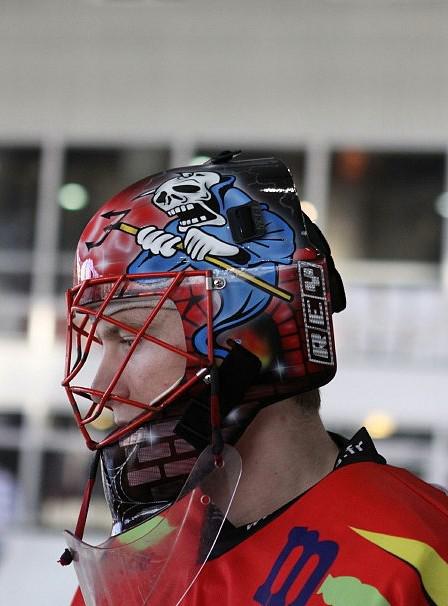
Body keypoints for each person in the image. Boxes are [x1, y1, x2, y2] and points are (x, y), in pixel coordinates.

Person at [60, 152, 448, 606]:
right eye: (102, 343)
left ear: (241, 335)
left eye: (130, 337)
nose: (105, 385)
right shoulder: (128, 576)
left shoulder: (421, 552)